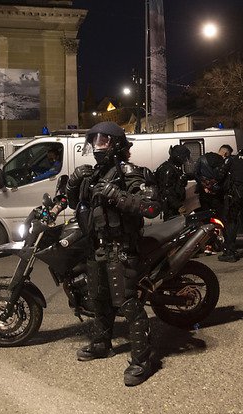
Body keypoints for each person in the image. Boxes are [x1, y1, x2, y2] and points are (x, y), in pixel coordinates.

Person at [66, 121, 160, 386]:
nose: (97, 147)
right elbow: (76, 203)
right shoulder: (93, 174)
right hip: (96, 246)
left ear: (117, 144)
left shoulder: (131, 173)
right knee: (98, 299)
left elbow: (151, 207)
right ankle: (101, 344)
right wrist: (74, 183)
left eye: (103, 141)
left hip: (122, 248)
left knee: (127, 302)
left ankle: (143, 359)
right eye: (95, 141)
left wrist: (116, 195)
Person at [219, 144, 243, 262]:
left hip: (234, 196)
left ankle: (230, 252)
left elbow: (221, 175)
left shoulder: (233, 159)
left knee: (231, 222)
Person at [155, 145, 191, 220]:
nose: (184, 161)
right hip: (171, 209)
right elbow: (167, 191)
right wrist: (178, 206)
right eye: (184, 158)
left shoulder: (173, 168)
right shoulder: (168, 170)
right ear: (178, 157)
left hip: (174, 207)